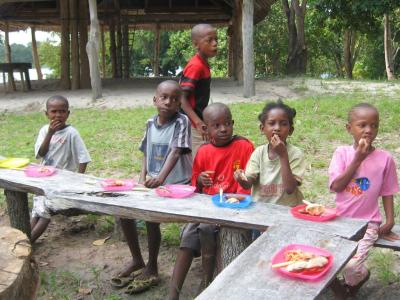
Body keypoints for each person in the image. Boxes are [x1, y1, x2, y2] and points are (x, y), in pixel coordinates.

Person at [167, 103, 254, 300]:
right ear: (205, 128)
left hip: (233, 207)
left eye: (227, 124)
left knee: (206, 229)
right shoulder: (204, 151)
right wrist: (199, 180)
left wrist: (236, 198)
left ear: (232, 123)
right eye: (216, 125)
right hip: (207, 206)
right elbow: (195, 186)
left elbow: (247, 186)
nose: (223, 129)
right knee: (189, 235)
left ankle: (207, 281)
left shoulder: (244, 146)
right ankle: (173, 292)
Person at [113, 80, 192, 294]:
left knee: (150, 219)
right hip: (152, 183)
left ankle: (152, 266)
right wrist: (142, 177)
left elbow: (176, 152)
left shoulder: (181, 122)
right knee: (124, 212)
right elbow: (145, 151)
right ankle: (137, 260)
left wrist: (161, 179)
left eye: (175, 99)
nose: (169, 102)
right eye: (164, 97)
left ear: (180, 103)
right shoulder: (150, 123)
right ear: (155, 99)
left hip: (177, 185)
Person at [328, 103, 399, 299]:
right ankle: (346, 288)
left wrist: (390, 220)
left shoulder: (385, 159)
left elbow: (388, 191)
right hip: (340, 220)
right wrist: (357, 159)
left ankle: (351, 286)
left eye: (374, 125)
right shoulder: (341, 154)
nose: (369, 130)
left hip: (369, 223)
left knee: (352, 265)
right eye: (362, 125)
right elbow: (336, 186)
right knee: (329, 261)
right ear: (349, 128)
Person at [31, 95, 91, 243]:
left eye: (62, 111)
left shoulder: (72, 133)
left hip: (62, 183)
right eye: (54, 111)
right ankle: (23, 241)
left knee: (45, 213)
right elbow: (40, 154)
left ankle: (27, 243)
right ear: (47, 114)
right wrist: (50, 134)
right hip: (44, 179)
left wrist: (78, 180)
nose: (58, 115)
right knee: (36, 211)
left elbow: (83, 158)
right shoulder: (45, 130)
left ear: (68, 113)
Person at [235, 100, 306, 207]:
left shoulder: (296, 154)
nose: (277, 128)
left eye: (283, 124)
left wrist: (283, 155)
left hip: (287, 210)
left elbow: (290, 189)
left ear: (290, 130)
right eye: (272, 123)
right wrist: (241, 179)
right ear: (262, 129)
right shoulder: (258, 153)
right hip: (261, 208)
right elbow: (248, 183)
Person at [180, 23, 218, 157]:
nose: (215, 44)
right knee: (198, 155)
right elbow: (181, 98)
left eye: (216, 39)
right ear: (196, 44)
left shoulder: (203, 64)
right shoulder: (196, 66)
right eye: (209, 40)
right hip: (191, 122)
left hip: (197, 118)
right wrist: (197, 122)